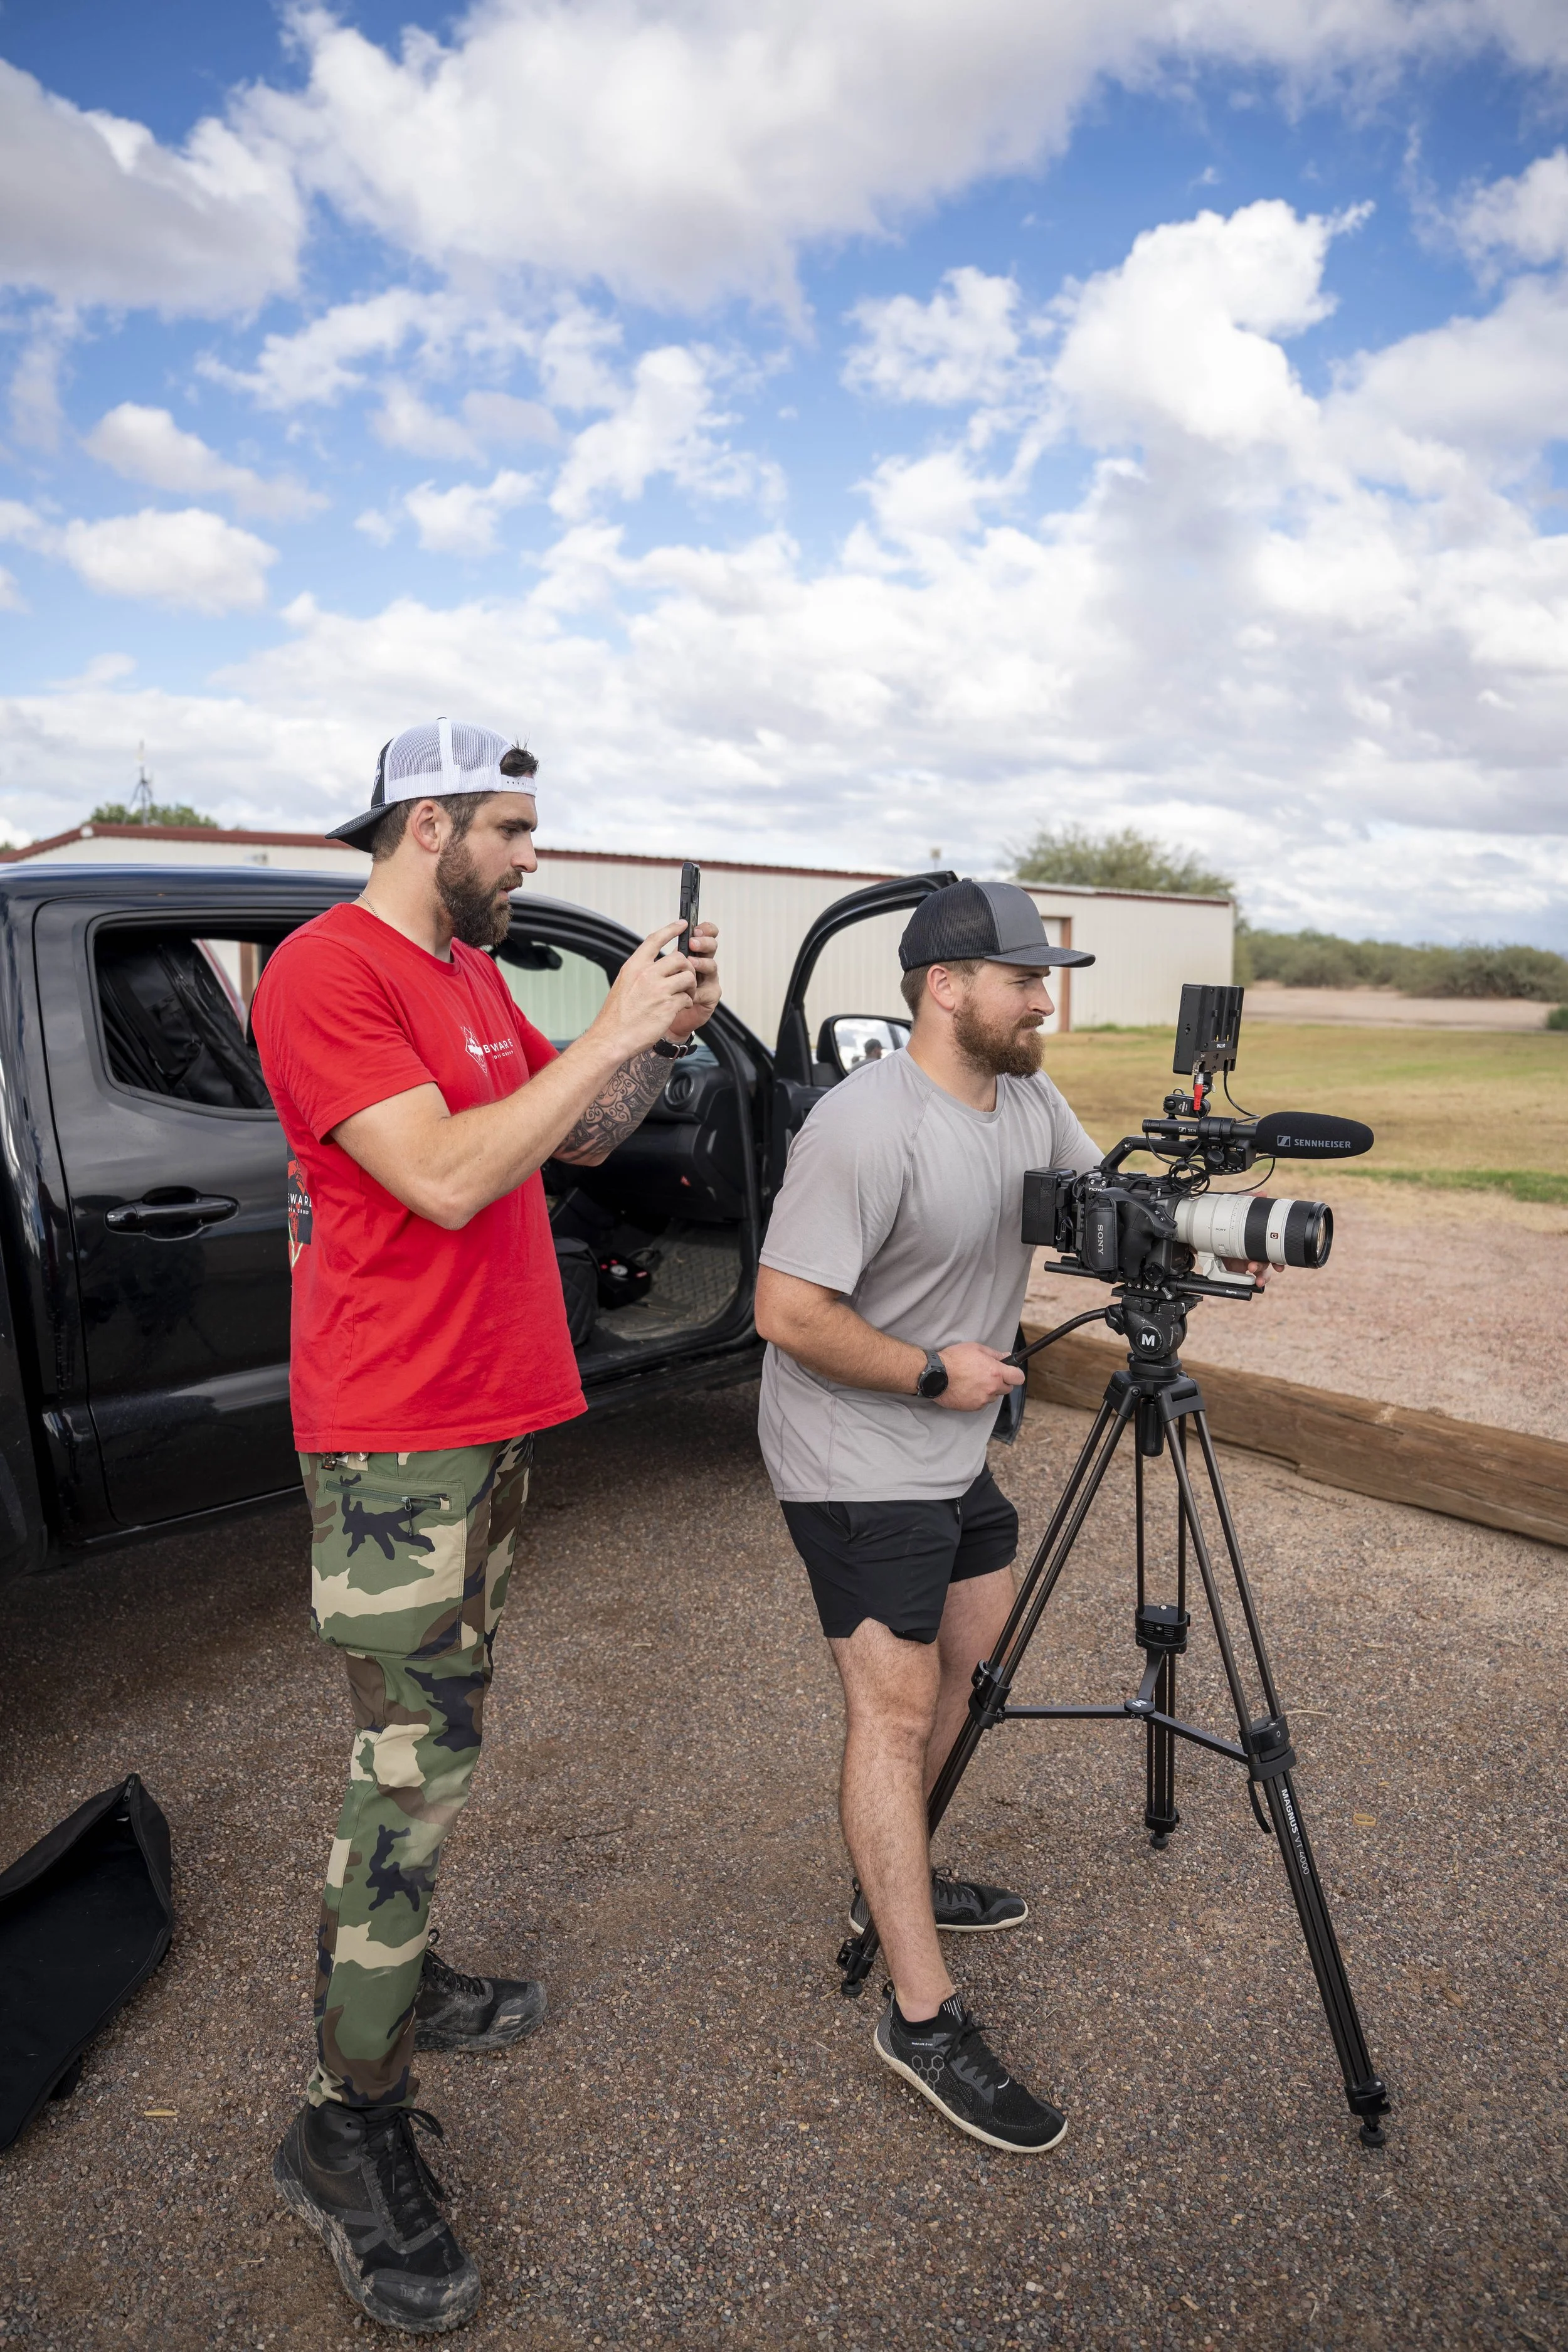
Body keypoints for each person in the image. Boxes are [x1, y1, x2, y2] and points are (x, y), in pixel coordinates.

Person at [252, 719, 721, 2333]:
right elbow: (446, 1179)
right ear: (430, 821)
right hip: (398, 1445)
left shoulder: (464, 973)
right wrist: (602, 1037)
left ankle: (402, 1983)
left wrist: (652, 1037)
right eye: (514, 833)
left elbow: (571, 1139)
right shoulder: (330, 973)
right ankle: (344, 2131)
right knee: (403, 1771)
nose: (533, 859)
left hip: (485, 1422)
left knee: (432, 1748)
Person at [753, 879, 1101, 2156]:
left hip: (951, 1444)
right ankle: (918, 2010)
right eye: (1023, 977)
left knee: (978, 1665)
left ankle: (894, 1866)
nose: (1042, 998)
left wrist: (1191, 1227)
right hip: (856, 1449)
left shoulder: (1026, 1098)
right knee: (890, 1714)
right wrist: (925, 1372)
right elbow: (784, 1315)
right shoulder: (861, 1127)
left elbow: (1088, 1199)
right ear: (947, 986)